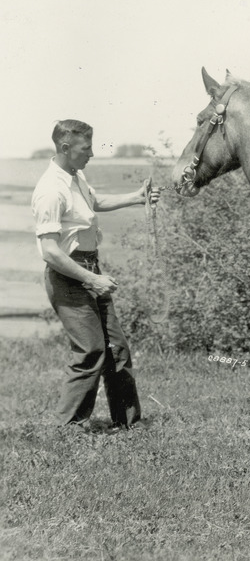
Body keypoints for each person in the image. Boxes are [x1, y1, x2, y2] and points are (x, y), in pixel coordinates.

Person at [31, 119, 161, 431]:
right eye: (85, 147)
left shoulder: (76, 176)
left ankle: (127, 422)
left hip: (91, 271)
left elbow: (95, 203)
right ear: (65, 147)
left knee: (117, 347)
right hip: (68, 277)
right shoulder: (51, 189)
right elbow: (50, 251)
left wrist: (136, 197)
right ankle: (68, 427)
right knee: (90, 349)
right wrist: (91, 279)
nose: (92, 153)